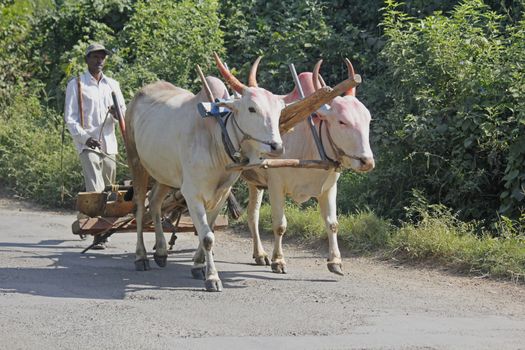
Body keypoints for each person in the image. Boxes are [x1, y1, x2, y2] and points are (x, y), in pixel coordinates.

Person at [64, 43, 126, 249]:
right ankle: (100, 233)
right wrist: (84, 137)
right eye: (95, 57)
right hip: (88, 144)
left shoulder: (113, 85)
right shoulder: (77, 84)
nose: (99, 61)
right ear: (87, 60)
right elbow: (70, 118)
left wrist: (116, 114)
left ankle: (84, 215)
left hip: (109, 144)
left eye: (102, 57)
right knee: (96, 188)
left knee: (110, 190)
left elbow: (123, 113)